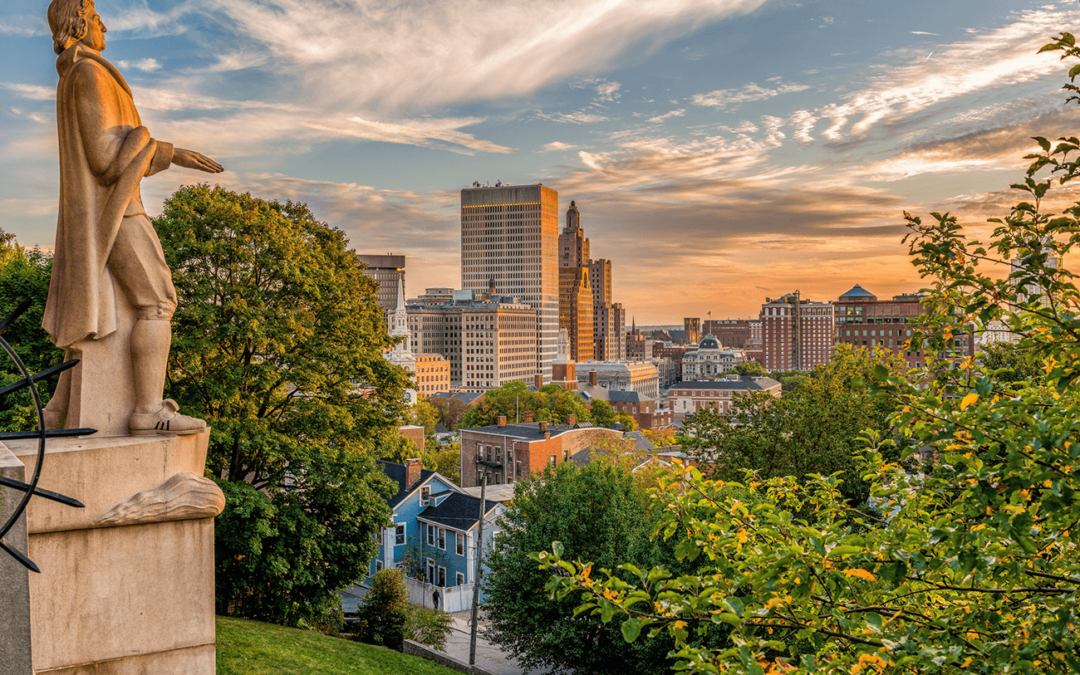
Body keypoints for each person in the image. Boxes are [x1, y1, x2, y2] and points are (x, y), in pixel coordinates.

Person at [44, 0, 223, 435]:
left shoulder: (77, 75)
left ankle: (56, 411)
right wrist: (159, 146)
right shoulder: (88, 74)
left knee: (89, 315)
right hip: (119, 210)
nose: (105, 25)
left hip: (100, 211)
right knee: (158, 301)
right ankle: (147, 410)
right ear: (80, 21)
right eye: (97, 15)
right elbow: (106, 159)